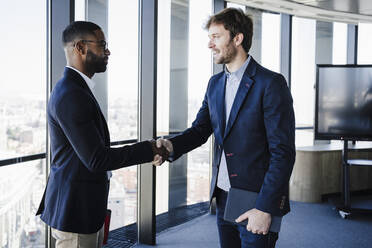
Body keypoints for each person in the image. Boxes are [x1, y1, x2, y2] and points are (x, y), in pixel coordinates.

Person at [156, 8, 295, 248]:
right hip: (223, 196)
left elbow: (283, 152)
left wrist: (265, 208)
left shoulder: (270, 84)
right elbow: (200, 130)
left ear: (237, 38)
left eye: (216, 37)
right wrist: (170, 145)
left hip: (256, 200)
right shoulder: (215, 83)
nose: (210, 44)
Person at [36, 21, 167, 248]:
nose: (107, 51)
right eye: (102, 45)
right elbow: (97, 159)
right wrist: (149, 149)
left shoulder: (76, 89)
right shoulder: (71, 94)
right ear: (80, 47)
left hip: (83, 207)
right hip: (75, 211)